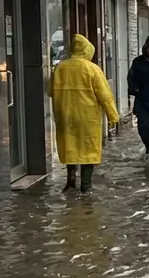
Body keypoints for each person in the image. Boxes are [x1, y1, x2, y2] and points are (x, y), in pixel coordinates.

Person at [48, 34, 122, 193]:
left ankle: (70, 180)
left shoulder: (60, 67)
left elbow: (50, 91)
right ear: (88, 50)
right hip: (87, 116)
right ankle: (86, 186)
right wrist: (113, 116)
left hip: (65, 115)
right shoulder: (92, 68)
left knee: (70, 146)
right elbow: (105, 96)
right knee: (87, 149)